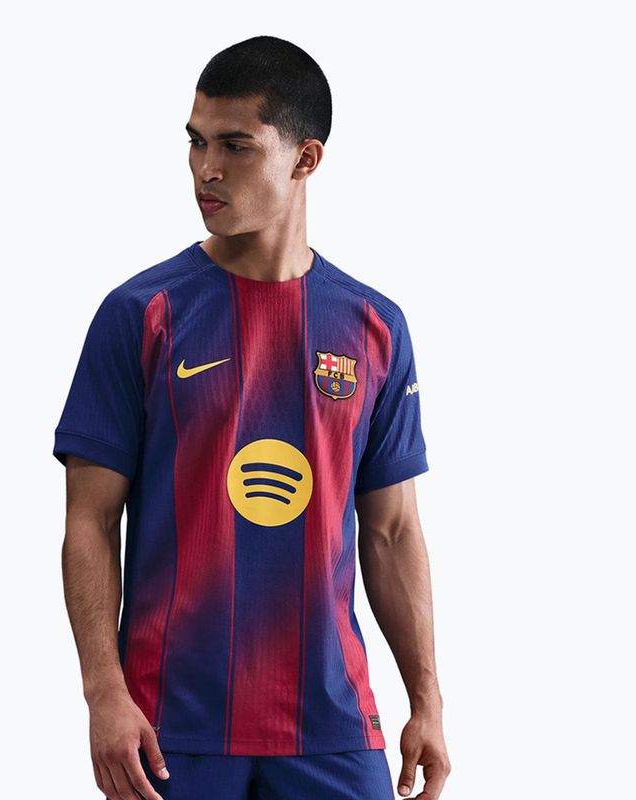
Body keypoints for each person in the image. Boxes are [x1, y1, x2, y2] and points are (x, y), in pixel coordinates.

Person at [53, 34, 450, 800]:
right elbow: (89, 521)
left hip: (333, 726)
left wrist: (427, 701)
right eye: (196, 142)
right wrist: (103, 693)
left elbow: (393, 530)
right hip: (170, 727)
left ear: (305, 159)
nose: (206, 168)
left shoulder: (375, 326)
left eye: (235, 146)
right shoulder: (140, 313)